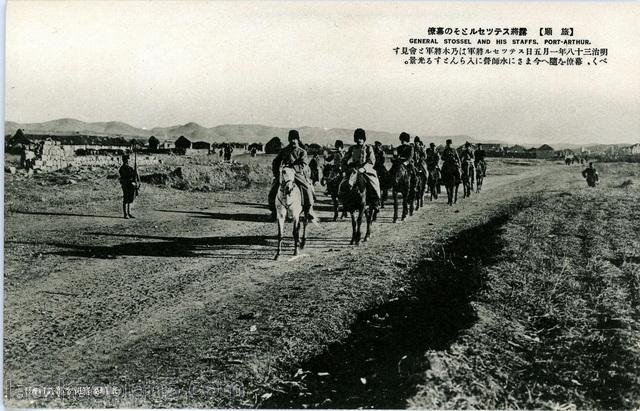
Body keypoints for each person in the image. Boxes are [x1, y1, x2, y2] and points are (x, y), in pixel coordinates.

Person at [269, 130, 318, 222]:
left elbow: (303, 165)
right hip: (285, 175)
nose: (293, 141)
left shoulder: (302, 152)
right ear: (289, 140)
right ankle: (274, 211)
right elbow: (275, 162)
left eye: (295, 139)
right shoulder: (284, 151)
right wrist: (276, 174)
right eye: (291, 139)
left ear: (298, 140)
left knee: (307, 189)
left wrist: (293, 168)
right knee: (273, 190)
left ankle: (309, 210)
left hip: (297, 175)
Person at [340, 128, 381, 206]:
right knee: (343, 184)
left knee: (374, 182)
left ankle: (376, 201)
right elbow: (344, 159)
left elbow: (372, 161)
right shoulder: (352, 148)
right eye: (358, 138)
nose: (359, 140)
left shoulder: (369, 148)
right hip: (354, 170)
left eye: (361, 138)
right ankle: (344, 202)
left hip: (366, 170)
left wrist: (364, 168)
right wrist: (345, 168)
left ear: (364, 139)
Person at [119, 154, 139, 219]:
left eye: (127, 160)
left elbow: (133, 175)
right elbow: (126, 176)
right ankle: (125, 214)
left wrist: (136, 169)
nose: (127, 161)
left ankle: (129, 213)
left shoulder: (130, 168)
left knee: (130, 198)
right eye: (126, 160)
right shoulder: (122, 168)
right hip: (125, 184)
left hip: (130, 184)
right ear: (123, 161)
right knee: (126, 199)